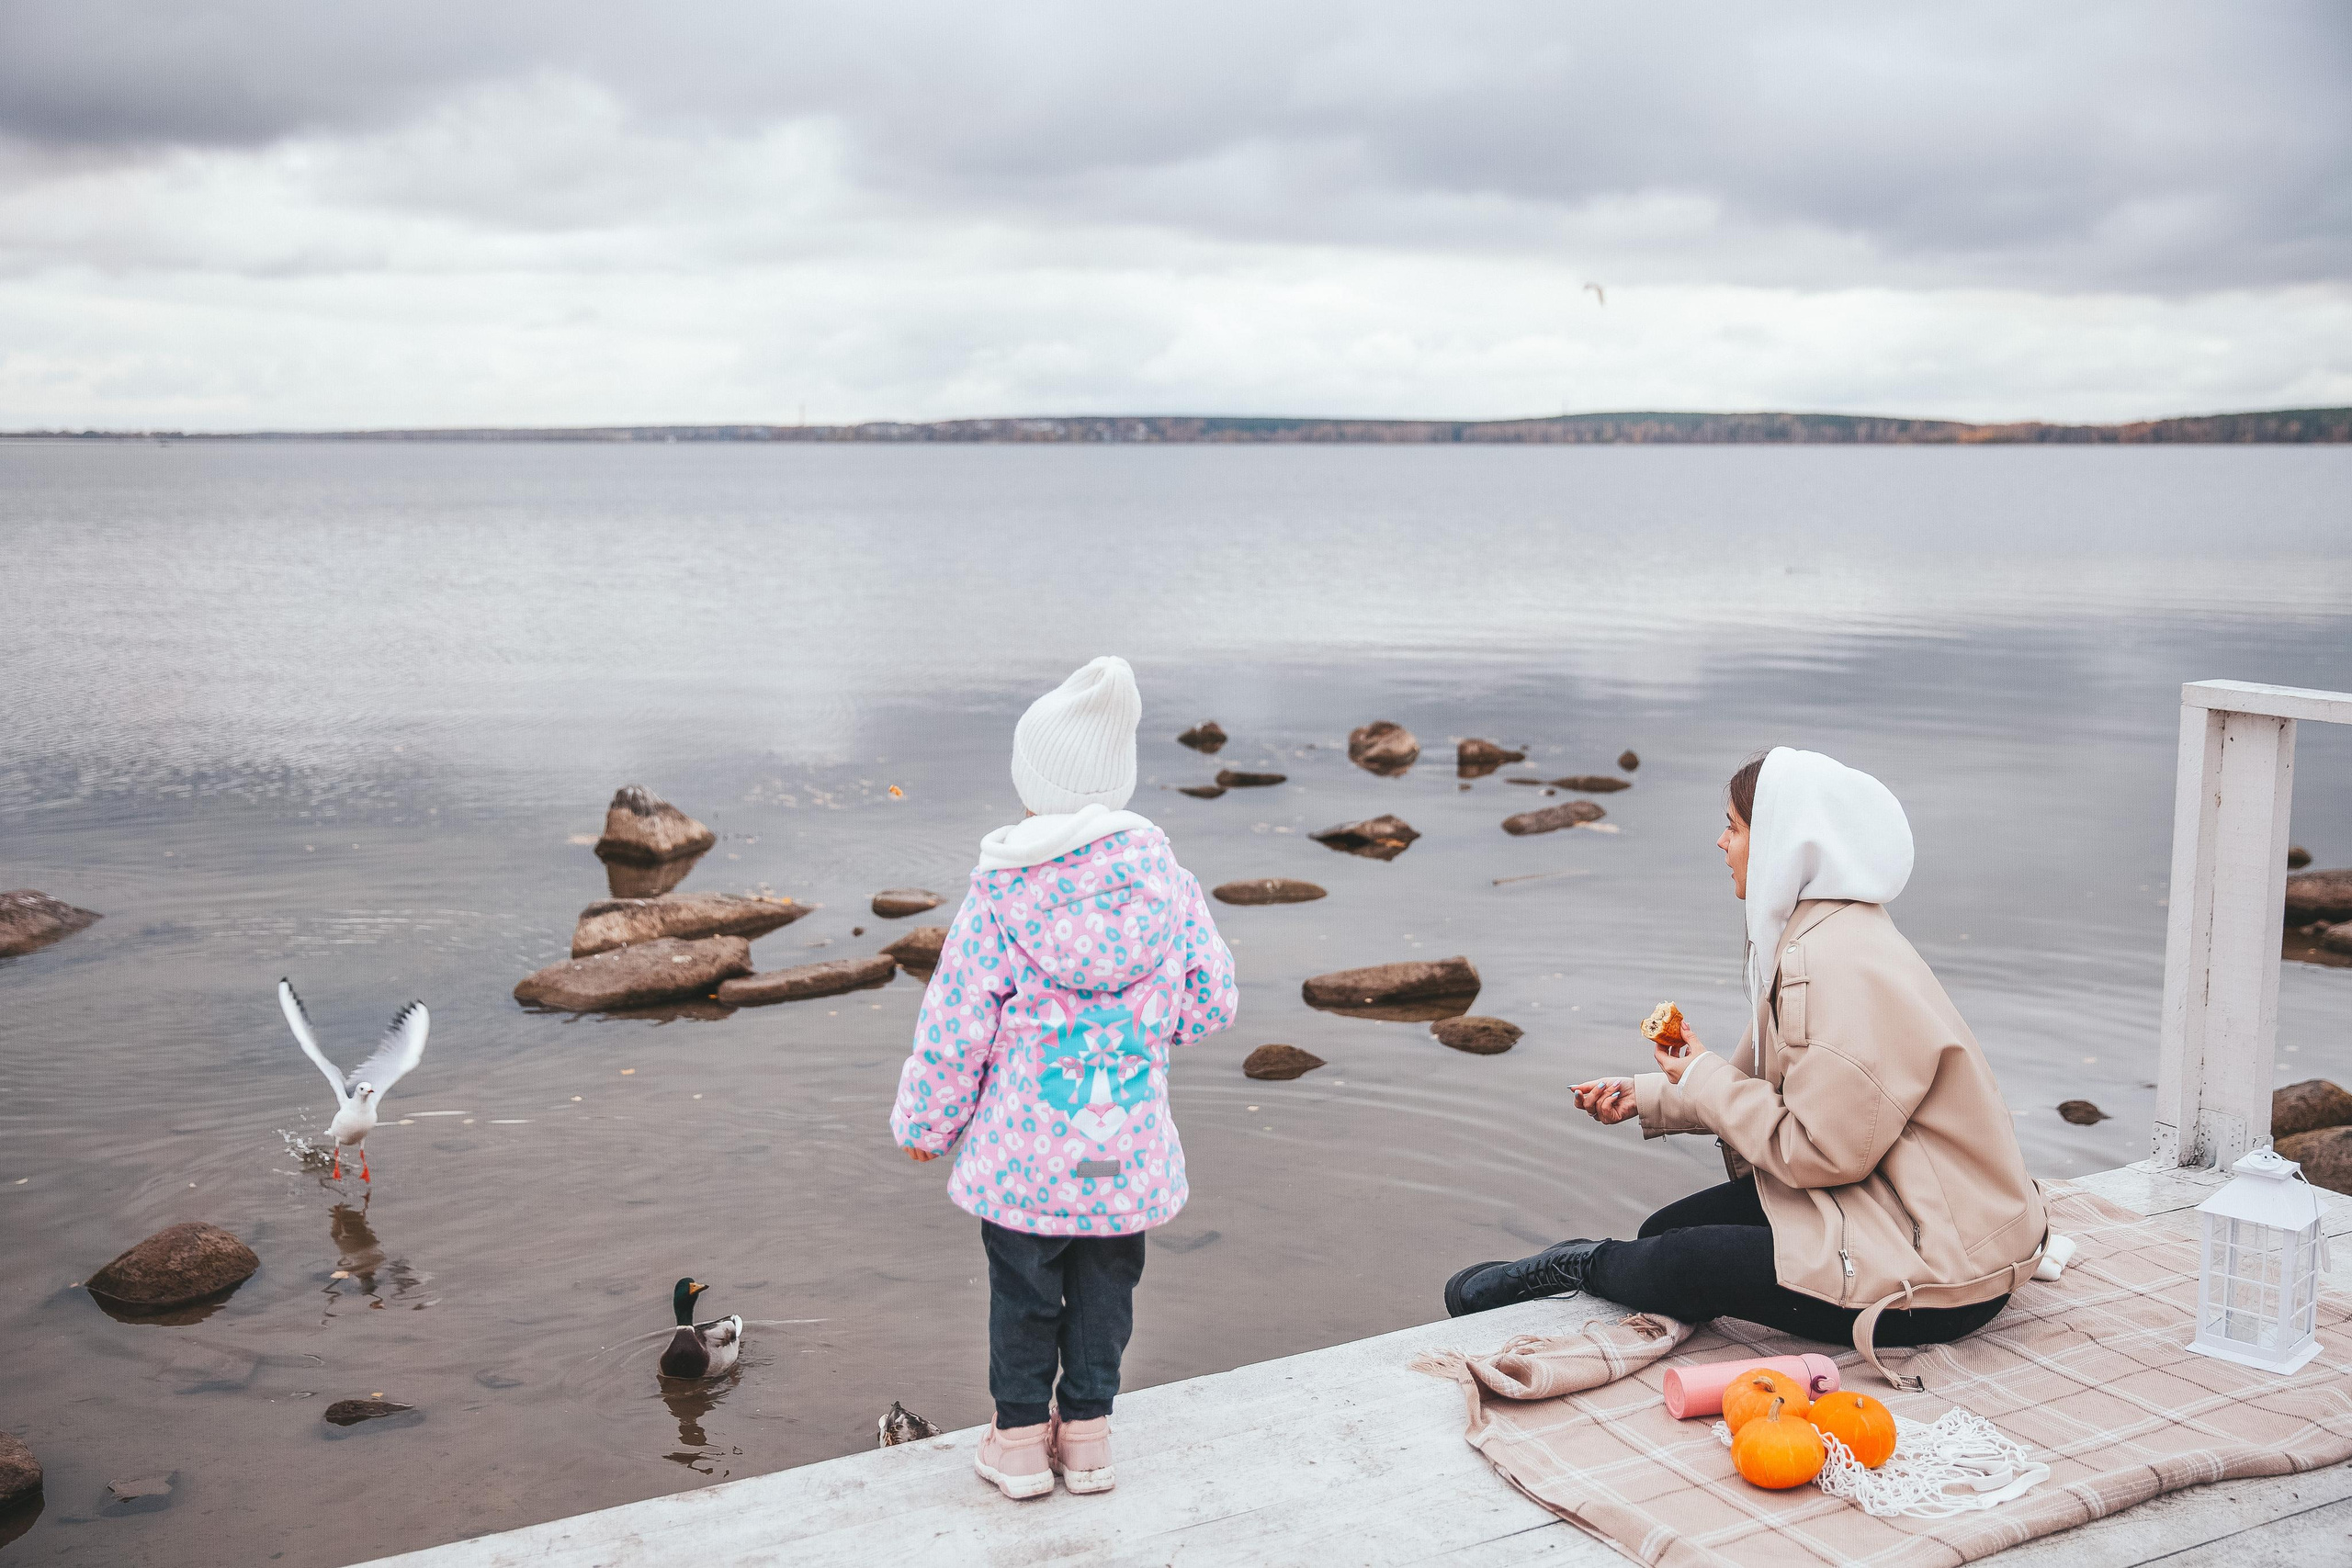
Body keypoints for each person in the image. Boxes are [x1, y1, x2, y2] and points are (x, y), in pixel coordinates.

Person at [1444, 748, 2048, 1389]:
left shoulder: (1837, 963)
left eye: (1734, 825)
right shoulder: (1822, 929)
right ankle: (1606, 1262)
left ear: (1784, 841)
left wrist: (1700, 1073)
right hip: (1895, 1200)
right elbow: (1770, 1086)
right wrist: (1649, 1092)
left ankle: (1574, 1266)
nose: (1721, 840)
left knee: (1684, 1260)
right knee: (1662, 1233)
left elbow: (1819, 1154)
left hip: (1945, 1270)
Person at [890, 655, 1238, 1498]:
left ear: (1034, 784)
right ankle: (1087, 1438)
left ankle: (1015, 1446)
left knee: (1023, 1296)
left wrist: (928, 1127)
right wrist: (1148, 1032)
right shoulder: (1166, 880)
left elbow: (955, 1026)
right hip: (1125, 1155)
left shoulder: (1003, 891)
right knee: (1105, 1297)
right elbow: (1212, 999)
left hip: (1025, 1162)